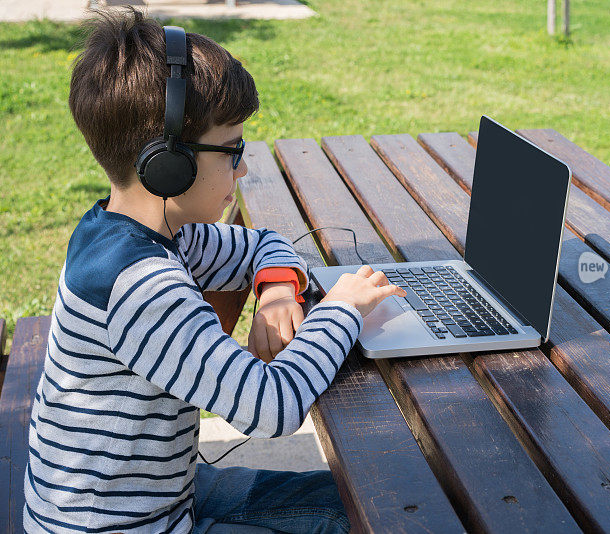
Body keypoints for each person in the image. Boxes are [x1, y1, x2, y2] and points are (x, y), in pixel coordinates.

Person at [23, 5, 406, 533]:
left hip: (162, 493)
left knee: (382, 500)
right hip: (125, 525)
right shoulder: (141, 286)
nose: (243, 166)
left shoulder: (143, 232)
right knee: (389, 514)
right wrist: (341, 310)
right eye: (231, 150)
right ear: (167, 163)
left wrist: (276, 290)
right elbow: (271, 406)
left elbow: (263, 244)